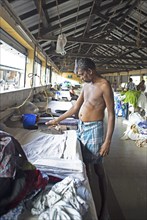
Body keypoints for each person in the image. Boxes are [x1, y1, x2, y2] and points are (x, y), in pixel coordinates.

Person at [46, 58, 115, 220]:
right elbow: (76, 108)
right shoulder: (86, 86)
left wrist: (107, 141)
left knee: (98, 168)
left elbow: (111, 114)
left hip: (94, 130)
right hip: (82, 128)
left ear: (90, 71)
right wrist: (57, 120)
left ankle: (104, 206)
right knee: (84, 165)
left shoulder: (104, 86)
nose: (80, 77)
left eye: (81, 74)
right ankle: (89, 199)